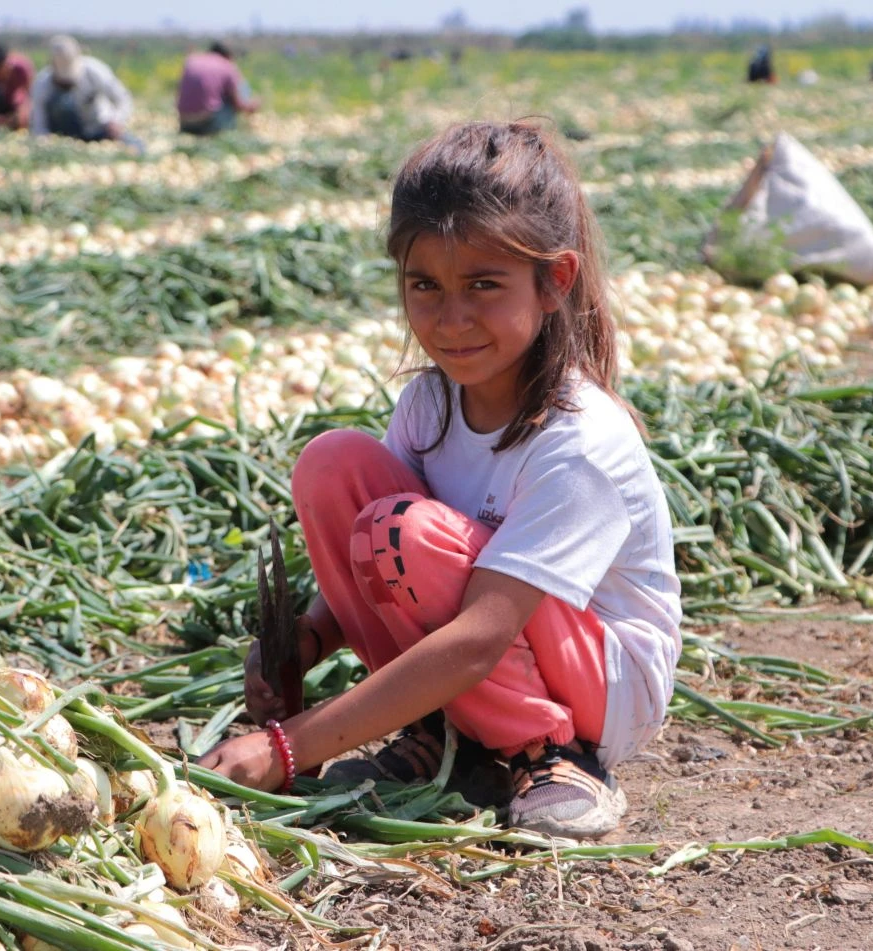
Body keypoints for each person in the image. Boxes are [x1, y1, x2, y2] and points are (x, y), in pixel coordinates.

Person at [200, 120, 683, 840]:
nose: (452, 319)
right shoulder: (428, 405)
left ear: (555, 280)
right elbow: (372, 566)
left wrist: (285, 748)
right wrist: (307, 639)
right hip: (488, 648)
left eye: (483, 286)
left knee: (405, 532)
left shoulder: (579, 441)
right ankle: (445, 734)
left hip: (600, 686)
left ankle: (546, 753)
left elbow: (478, 635)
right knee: (334, 464)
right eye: (425, 285)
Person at [31, 35, 140, 148]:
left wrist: (116, 120)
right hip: (65, 135)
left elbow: (122, 98)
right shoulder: (42, 83)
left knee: (133, 145)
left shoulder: (95, 71)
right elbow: (39, 123)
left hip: (99, 127)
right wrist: (44, 141)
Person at [176, 42, 261, 136]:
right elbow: (239, 105)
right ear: (228, 55)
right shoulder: (227, 65)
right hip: (208, 124)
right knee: (232, 97)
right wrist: (252, 105)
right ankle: (226, 132)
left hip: (184, 122)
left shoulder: (192, 60)